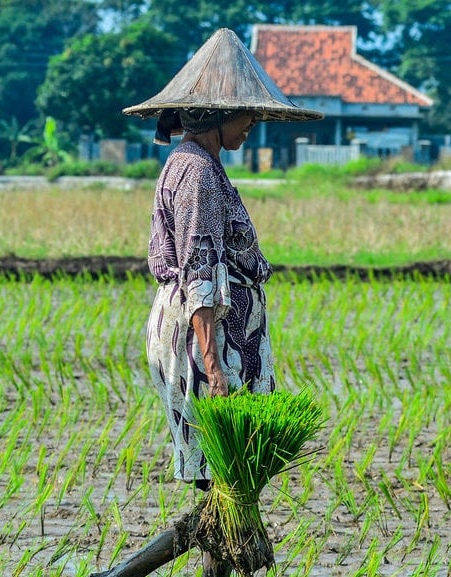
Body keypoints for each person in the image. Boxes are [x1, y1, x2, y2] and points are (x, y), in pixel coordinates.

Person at [122, 28, 323, 577]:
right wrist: (214, 368)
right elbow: (200, 275)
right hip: (202, 341)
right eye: (244, 114)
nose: (252, 123)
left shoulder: (203, 165)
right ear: (212, 114)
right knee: (225, 488)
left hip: (213, 338)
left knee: (229, 489)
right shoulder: (196, 174)